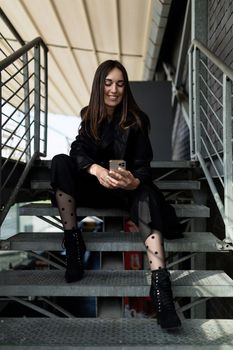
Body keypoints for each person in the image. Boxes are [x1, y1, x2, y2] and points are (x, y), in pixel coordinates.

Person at [51, 60, 184, 329]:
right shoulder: (89, 117)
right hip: (95, 188)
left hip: (127, 193)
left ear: (126, 88)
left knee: (146, 195)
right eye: (109, 83)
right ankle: (73, 242)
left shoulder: (136, 120)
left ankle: (160, 288)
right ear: (100, 85)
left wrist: (133, 181)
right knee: (60, 161)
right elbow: (78, 152)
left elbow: (144, 166)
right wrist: (97, 170)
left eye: (120, 84)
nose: (114, 90)